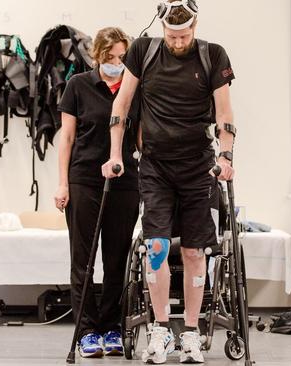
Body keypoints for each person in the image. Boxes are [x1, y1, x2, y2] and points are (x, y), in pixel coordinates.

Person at [102, 1, 236, 363]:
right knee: (157, 247)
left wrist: (226, 156)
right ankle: (159, 330)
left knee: (194, 252)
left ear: (195, 26)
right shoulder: (143, 52)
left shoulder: (213, 55)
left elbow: (224, 113)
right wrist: (115, 154)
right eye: (172, 35)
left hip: (198, 167)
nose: (178, 42)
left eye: (184, 35)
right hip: (155, 166)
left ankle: (190, 333)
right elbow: (122, 105)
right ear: (162, 27)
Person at [55, 27, 140, 358]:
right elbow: (66, 139)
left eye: (122, 57)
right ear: (98, 56)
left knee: (117, 258)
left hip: (125, 182)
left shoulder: (135, 89)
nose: (117, 63)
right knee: (84, 259)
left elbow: (143, 138)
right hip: (84, 180)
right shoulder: (78, 85)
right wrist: (62, 183)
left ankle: (111, 327)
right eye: (110, 57)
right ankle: (87, 331)